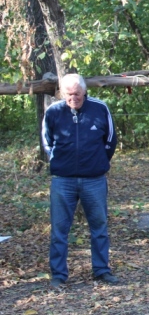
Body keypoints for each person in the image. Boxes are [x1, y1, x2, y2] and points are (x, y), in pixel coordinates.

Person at [42, 73, 118, 289]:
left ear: (84, 91)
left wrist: (99, 161)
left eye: (77, 93)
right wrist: (59, 161)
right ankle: (58, 274)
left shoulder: (99, 108)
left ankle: (101, 270)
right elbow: (47, 141)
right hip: (62, 181)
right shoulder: (54, 111)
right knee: (59, 230)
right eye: (68, 94)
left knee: (99, 226)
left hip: (94, 179)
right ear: (62, 93)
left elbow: (111, 140)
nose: (73, 98)